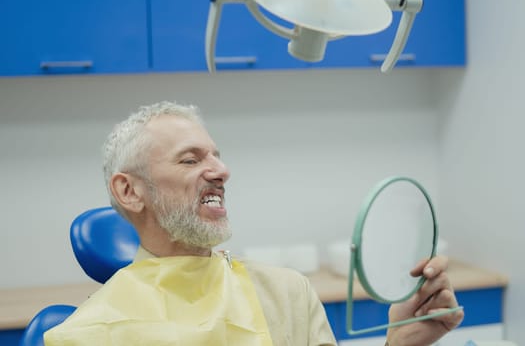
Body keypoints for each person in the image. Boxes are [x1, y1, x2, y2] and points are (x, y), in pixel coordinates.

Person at [44, 101, 464, 346]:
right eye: (191, 159)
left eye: (217, 156)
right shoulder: (85, 334)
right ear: (129, 191)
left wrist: (399, 342)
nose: (221, 170)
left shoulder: (286, 294)